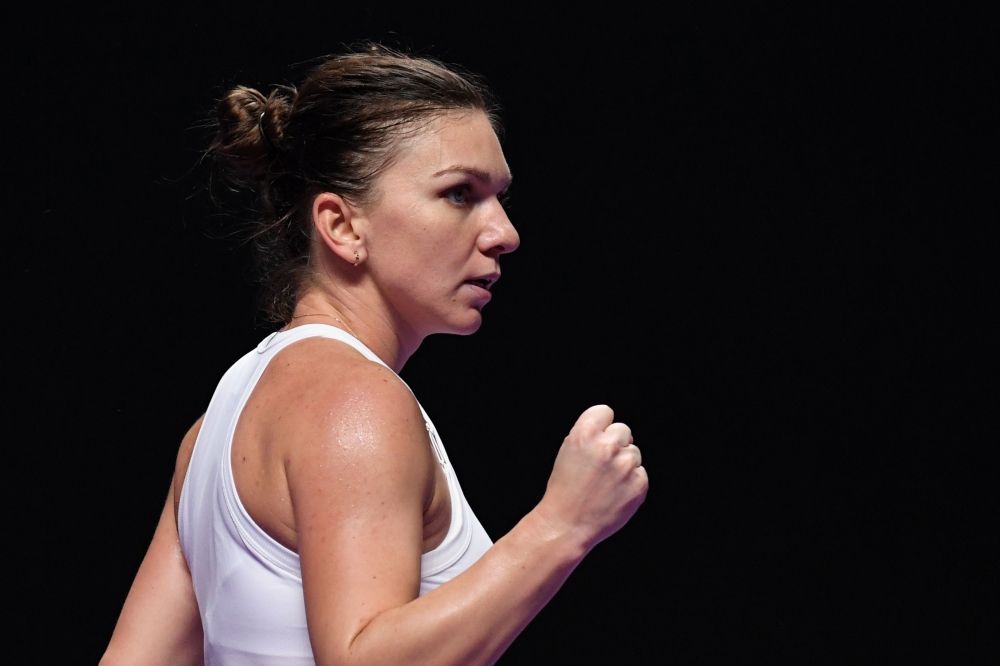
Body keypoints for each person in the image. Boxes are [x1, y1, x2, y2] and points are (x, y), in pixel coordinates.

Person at [101, 45, 648, 666]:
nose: (504, 233)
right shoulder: (354, 402)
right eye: (459, 194)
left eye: (499, 197)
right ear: (341, 226)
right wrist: (561, 526)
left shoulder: (212, 431)